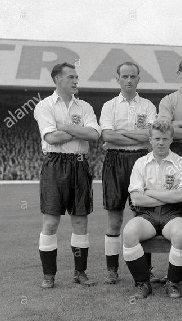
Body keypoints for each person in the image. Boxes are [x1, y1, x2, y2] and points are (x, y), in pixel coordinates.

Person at [34, 62, 101, 288]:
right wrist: (77, 131)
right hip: (55, 165)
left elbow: (93, 134)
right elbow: (51, 138)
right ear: (57, 79)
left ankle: (80, 272)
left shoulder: (85, 107)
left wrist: (66, 127)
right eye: (71, 77)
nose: (75, 81)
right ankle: (48, 275)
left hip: (80, 165)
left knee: (80, 221)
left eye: (76, 77)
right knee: (51, 222)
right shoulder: (44, 106)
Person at [100, 62, 157, 284]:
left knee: (143, 218)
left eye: (133, 76)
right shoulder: (109, 106)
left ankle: (146, 270)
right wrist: (136, 134)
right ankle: (112, 270)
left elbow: (149, 136)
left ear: (138, 79)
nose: (129, 80)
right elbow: (107, 136)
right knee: (114, 218)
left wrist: (121, 133)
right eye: (125, 76)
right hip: (115, 161)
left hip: (141, 160)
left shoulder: (148, 106)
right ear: (118, 79)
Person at [122, 120, 182, 299]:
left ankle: (172, 283)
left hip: (173, 213)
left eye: (165, 139)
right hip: (146, 214)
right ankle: (143, 283)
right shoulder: (140, 163)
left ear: (171, 139)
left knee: (181, 234)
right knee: (129, 233)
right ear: (150, 140)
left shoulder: (181, 163)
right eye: (157, 138)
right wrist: (166, 196)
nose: (161, 142)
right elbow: (136, 199)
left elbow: (180, 197)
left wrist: (149, 192)